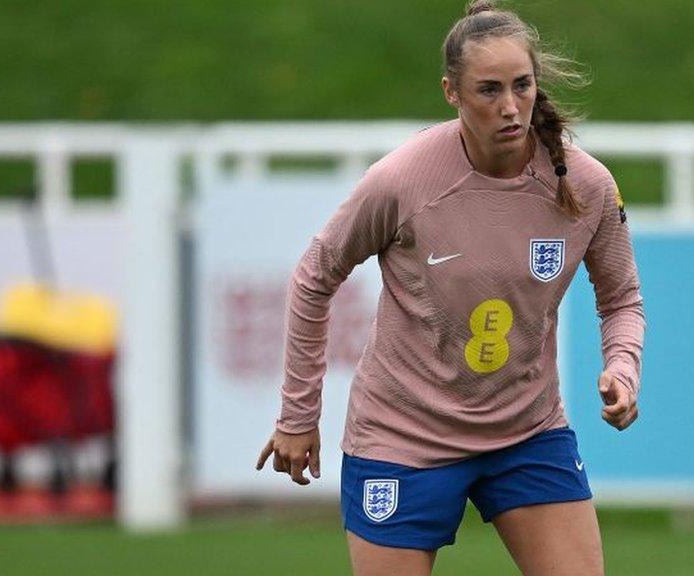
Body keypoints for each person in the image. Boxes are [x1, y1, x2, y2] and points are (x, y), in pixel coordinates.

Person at [256, 1, 645, 574]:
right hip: (402, 436)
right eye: (489, 90)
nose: (510, 107)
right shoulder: (403, 180)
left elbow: (622, 299)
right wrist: (297, 415)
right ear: (451, 93)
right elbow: (316, 276)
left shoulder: (585, 184)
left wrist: (624, 367)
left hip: (527, 432)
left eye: (522, 86)